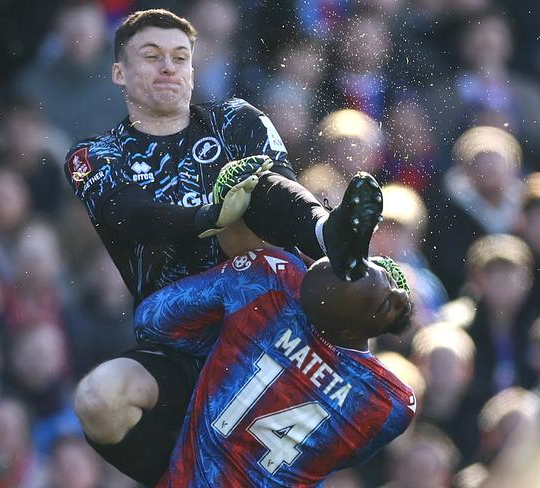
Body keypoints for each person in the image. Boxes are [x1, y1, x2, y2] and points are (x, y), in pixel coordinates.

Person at [69, 8, 384, 485]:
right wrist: (208, 217)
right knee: (97, 400)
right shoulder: (94, 156)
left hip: (271, 333)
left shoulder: (235, 119)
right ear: (119, 72)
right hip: (180, 341)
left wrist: (243, 215)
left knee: (255, 187)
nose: (168, 67)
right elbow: (129, 215)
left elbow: (278, 196)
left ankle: (331, 234)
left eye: (180, 57)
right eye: (151, 56)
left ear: (194, 69)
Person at [133, 248, 415, 486]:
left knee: (106, 396)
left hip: (182, 474)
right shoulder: (386, 402)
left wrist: (227, 348)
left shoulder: (272, 282)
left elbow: (151, 320)